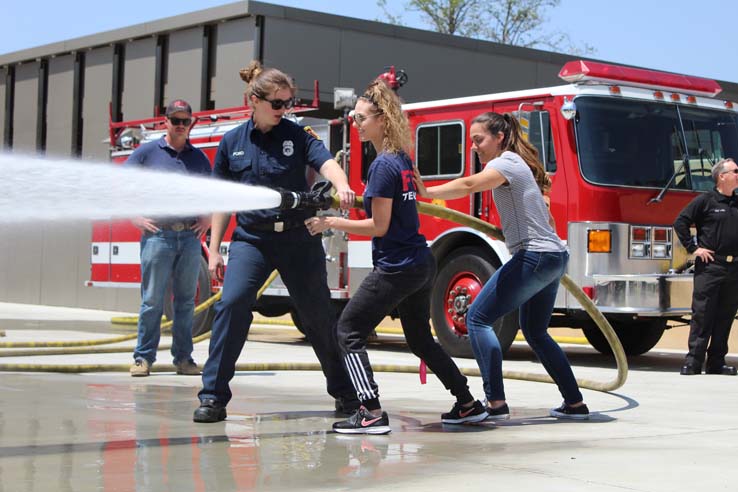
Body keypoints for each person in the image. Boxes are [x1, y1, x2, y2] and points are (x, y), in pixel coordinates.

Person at [306, 79, 487, 435]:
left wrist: (330, 221)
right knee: (420, 340)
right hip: (420, 262)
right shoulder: (401, 160)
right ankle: (467, 403)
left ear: (382, 120)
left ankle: (369, 410)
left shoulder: (382, 167)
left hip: (398, 267)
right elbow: (411, 198)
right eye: (354, 118)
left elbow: (379, 226)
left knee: (348, 329)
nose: (355, 125)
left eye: (361, 118)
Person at [193, 61, 358, 423]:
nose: (285, 110)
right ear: (255, 100)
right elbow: (223, 199)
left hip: (298, 239)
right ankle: (213, 397)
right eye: (278, 104)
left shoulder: (296, 135)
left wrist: (342, 185)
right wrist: (215, 250)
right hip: (252, 240)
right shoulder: (231, 142)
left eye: (289, 103)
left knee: (317, 315)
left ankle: (346, 395)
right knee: (233, 305)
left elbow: (327, 162)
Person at [413, 111, 590, 420]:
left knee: (478, 319)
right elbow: (545, 219)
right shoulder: (518, 166)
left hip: (534, 256)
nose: (475, 147)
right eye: (471, 142)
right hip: (553, 256)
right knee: (535, 332)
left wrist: (427, 192)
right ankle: (575, 403)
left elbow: (469, 184)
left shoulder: (504, 163)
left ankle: (495, 402)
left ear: (500, 138)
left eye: (479, 140)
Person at [125, 99, 212, 377]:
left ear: (191, 124)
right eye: (175, 120)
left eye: (185, 121)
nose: (180, 126)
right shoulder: (147, 153)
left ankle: (184, 359)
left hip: (189, 238)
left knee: (186, 302)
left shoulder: (198, 159)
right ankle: (143, 358)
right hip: (157, 236)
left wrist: (207, 218)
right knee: (151, 300)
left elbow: (213, 191)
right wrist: (134, 216)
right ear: (165, 122)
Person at [674, 157, 738, 376]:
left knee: (725, 316)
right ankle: (693, 361)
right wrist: (693, 248)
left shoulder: (736, 202)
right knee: (703, 314)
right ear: (722, 176)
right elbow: (680, 221)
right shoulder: (706, 200)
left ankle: (716, 363)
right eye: (735, 171)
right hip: (710, 268)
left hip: (734, 269)